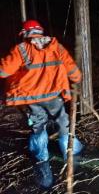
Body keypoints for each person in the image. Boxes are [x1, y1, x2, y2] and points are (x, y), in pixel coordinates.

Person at [0, 19, 83, 188]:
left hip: (32, 100)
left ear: (25, 33)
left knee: (38, 126)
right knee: (62, 122)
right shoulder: (56, 47)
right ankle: (72, 150)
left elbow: (3, 71)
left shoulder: (21, 49)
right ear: (40, 31)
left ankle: (41, 157)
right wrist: (76, 79)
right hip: (55, 97)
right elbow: (73, 70)